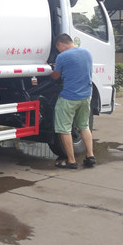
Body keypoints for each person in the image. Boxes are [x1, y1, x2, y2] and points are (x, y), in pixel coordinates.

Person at [50, 33, 97, 169]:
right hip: (86, 96)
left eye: (58, 48)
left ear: (61, 44)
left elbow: (56, 76)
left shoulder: (62, 57)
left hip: (69, 98)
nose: (58, 51)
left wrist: (50, 69)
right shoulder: (87, 53)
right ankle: (90, 156)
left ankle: (71, 161)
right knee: (84, 126)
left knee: (64, 129)